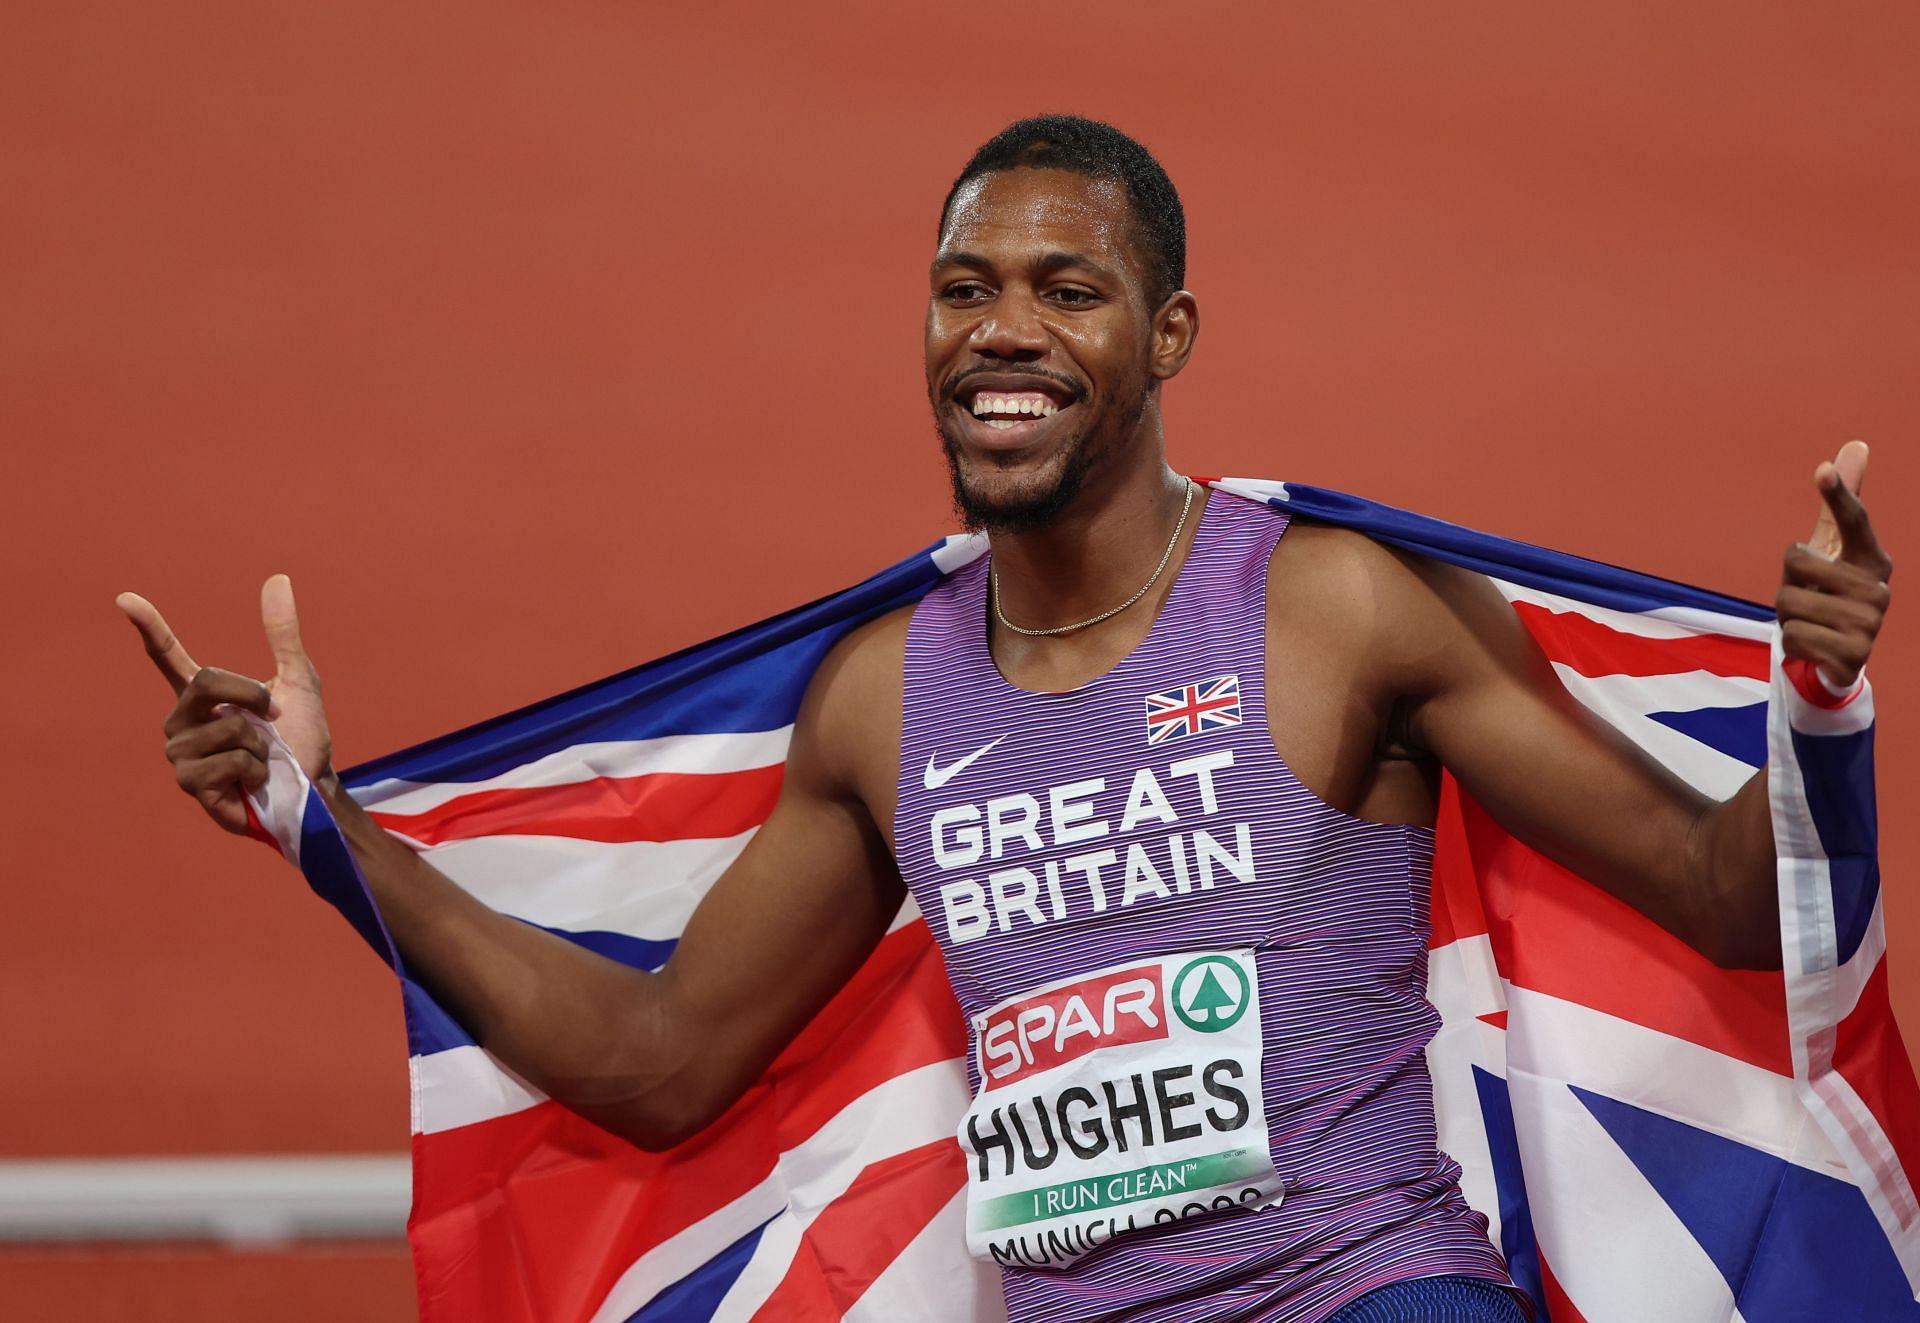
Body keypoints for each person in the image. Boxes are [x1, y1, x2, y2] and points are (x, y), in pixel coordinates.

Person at [117, 117, 1892, 1322]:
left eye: (1068, 290)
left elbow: (1727, 899)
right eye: (967, 289)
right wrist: (321, 828)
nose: (1003, 333)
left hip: (1367, 1294)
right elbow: (659, 1069)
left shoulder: (1332, 605)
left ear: (1169, 332)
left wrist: (1813, 700)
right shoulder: (886, 698)